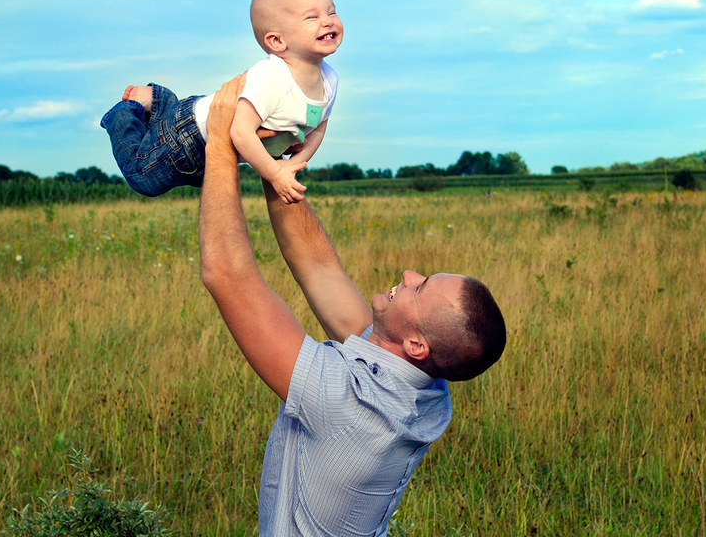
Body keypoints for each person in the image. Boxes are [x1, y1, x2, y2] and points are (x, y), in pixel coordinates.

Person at [199, 74, 506, 536]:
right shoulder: (423, 389)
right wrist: (276, 166)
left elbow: (227, 275)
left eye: (419, 289)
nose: (408, 275)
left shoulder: (353, 405)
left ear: (418, 344)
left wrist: (222, 146)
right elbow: (319, 268)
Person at [101, 0, 343, 204]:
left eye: (331, 11)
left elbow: (320, 125)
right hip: (190, 137)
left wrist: (294, 164)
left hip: (215, 150)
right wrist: (275, 175)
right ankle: (125, 112)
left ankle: (158, 102)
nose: (328, 20)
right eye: (312, 17)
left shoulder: (329, 79)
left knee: (167, 150)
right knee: (143, 178)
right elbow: (241, 133)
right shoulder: (271, 77)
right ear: (277, 41)